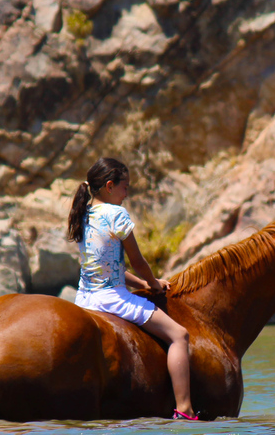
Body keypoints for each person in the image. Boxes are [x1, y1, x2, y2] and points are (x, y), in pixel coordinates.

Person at [68, 157, 197, 420]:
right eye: (125, 187)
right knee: (179, 336)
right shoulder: (117, 214)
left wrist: (145, 285)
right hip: (112, 299)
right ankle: (184, 409)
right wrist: (152, 282)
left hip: (83, 300)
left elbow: (107, 266)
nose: (127, 194)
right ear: (109, 186)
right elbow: (137, 261)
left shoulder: (84, 214)